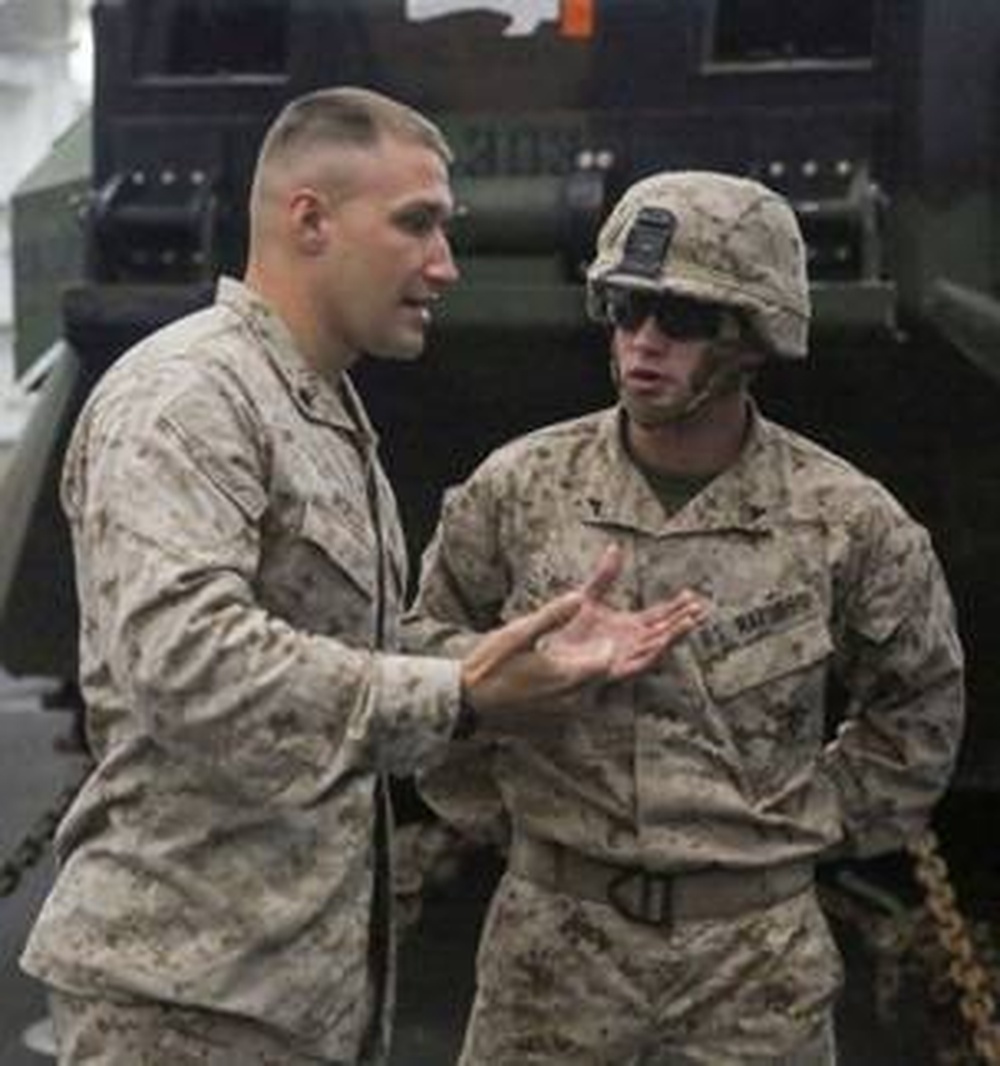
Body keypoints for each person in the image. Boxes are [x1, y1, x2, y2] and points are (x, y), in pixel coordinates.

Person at [20, 88, 706, 1066]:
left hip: (293, 990)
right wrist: (459, 690)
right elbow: (187, 661)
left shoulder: (315, 405)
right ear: (310, 219)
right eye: (415, 224)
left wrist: (515, 662)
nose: (445, 264)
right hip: (184, 1004)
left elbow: (357, 657)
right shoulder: (187, 399)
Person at [404, 170, 966, 1065]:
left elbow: (919, 710)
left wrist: (800, 827)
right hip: (551, 962)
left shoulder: (845, 521)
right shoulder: (517, 492)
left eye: (684, 319)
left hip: (753, 977)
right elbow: (428, 665)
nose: (644, 343)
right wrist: (519, 811)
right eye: (627, 309)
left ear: (753, 335)